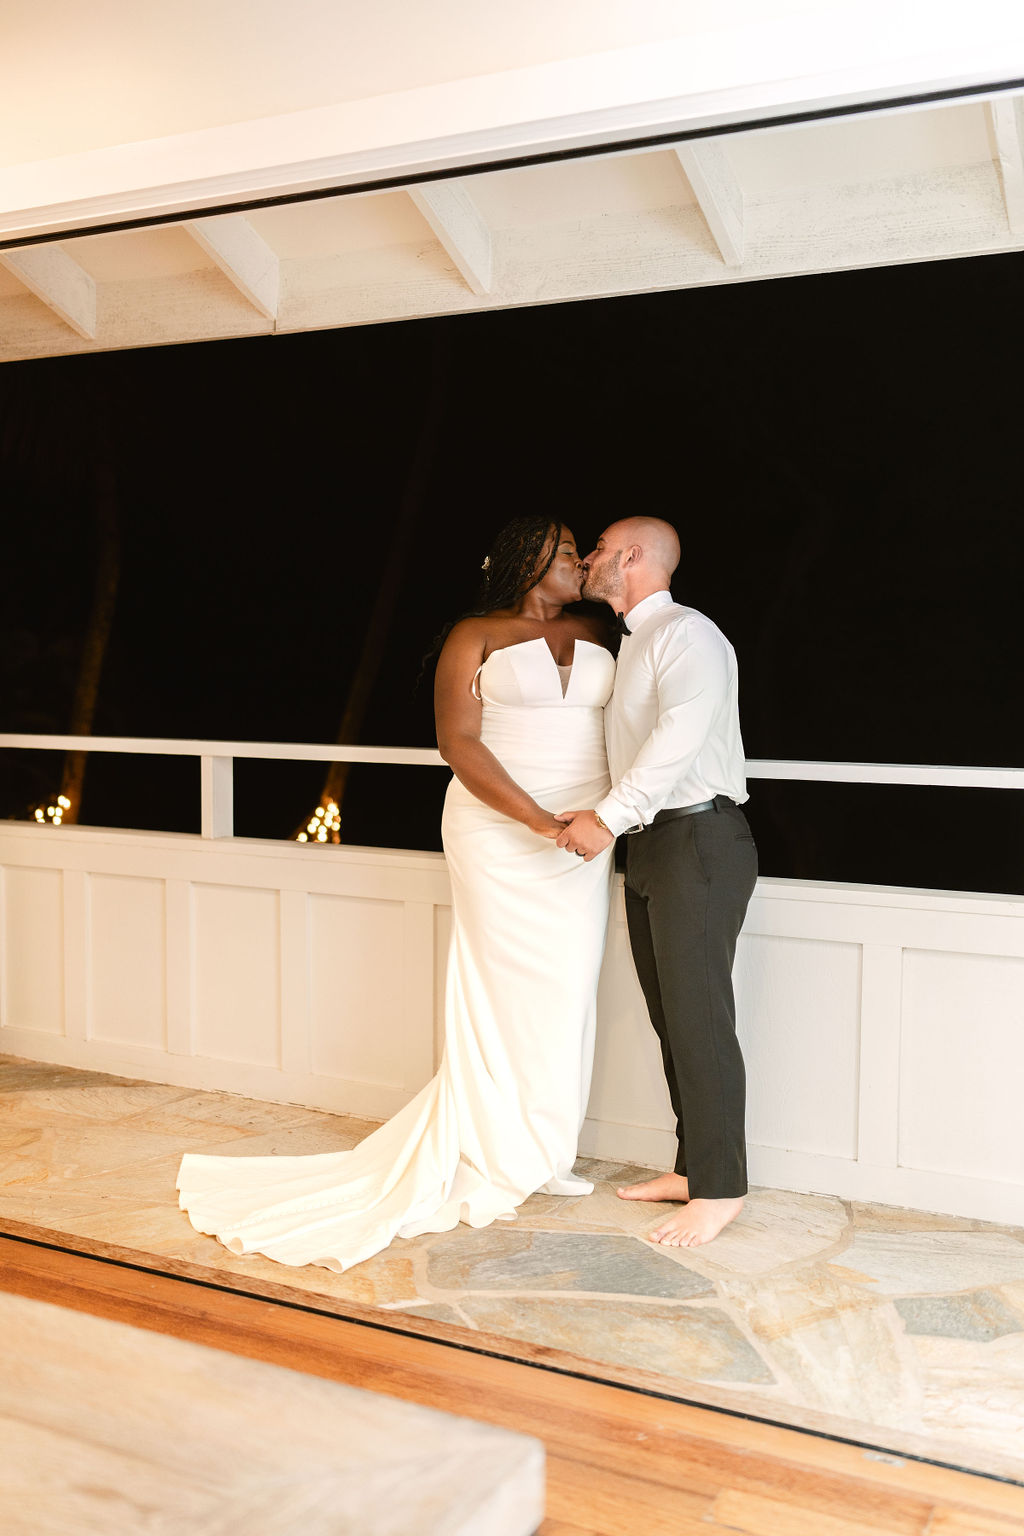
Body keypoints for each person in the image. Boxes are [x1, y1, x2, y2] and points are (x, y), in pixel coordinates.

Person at [176, 517, 616, 1271]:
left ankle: (546, 1149)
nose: (579, 560)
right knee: (499, 986)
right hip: (503, 830)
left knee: (569, 990)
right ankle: (492, 1149)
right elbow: (459, 743)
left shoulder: (597, 631)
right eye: (567, 549)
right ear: (528, 560)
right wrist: (539, 820)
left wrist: (600, 818)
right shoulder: (474, 633)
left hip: (585, 837)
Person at [555, 517, 756, 1249]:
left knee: (701, 1017)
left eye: (600, 549)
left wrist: (605, 819)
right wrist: (604, 814)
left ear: (633, 557)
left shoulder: (688, 633)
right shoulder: (635, 641)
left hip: (699, 838)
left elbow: (679, 741)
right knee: (674, 1017)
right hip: (654, 844)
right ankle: (695, 1167)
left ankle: (723, 1190)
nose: (589, 561)